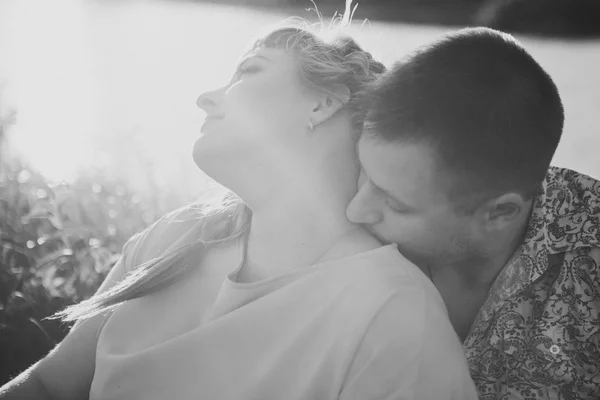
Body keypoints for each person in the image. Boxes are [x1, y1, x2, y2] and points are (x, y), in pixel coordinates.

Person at [0, 20, 477, 400]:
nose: (205, 98)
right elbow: (49, 386)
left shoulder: (394, 315)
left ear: (324, 103)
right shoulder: (175, 239)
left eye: (249, 71)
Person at [348, 26, 600, 399]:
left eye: (395, 203)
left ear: (500, 213)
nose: (356, 210)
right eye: (363, 173)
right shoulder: (337, 214)